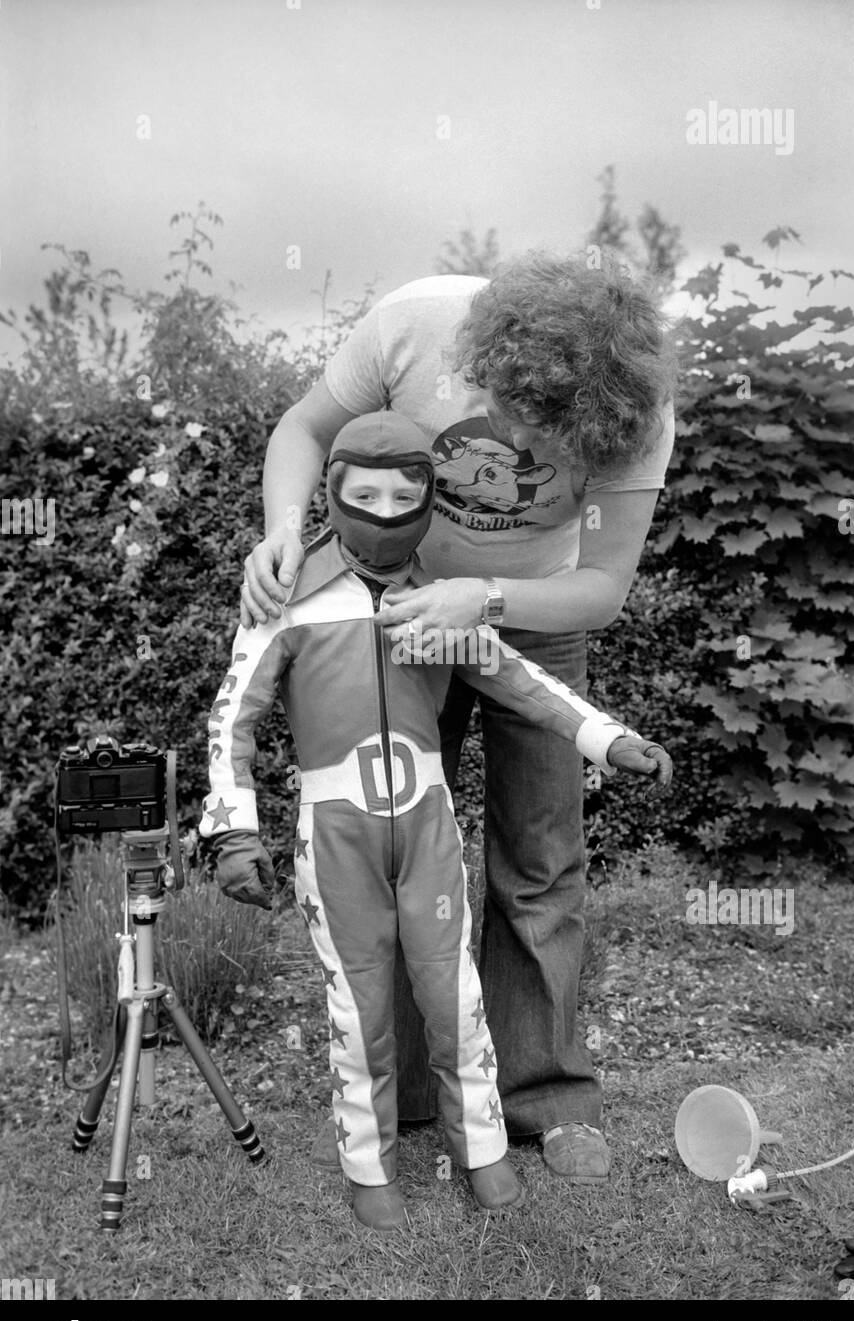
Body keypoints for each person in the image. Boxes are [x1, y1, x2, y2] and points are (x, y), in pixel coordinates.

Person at [239, 252, 677, 1182]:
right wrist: (283, 527)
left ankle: (546, 1098)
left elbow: (601, 587)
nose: (522, 446)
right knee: (392, 849)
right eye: (514, 416)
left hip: (533, 621)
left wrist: (480, 598)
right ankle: (407, 1103)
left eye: (550, 441)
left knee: (541, 859)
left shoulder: (636, 414)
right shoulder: (416, 322)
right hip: (391, 616)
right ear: (489, 362)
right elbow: (304, 428)